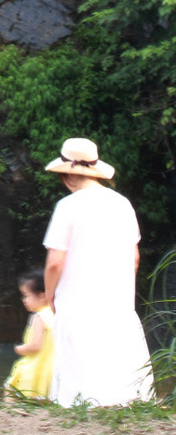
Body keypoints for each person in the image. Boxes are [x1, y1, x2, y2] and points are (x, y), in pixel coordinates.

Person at [43, 137, 154, 407]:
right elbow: (135, 257)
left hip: (76, 296)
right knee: (117, 346)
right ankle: (131, 400)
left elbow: (55, 262)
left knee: (80, 349)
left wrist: (49, 296)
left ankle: (79, 403)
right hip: (116, 295)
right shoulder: (122, 204)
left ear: (68, 175)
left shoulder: (67, 206)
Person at [4, 268, 55, 400]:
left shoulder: (38, 317)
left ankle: (8, 414)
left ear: (43, 295)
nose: (23, 300)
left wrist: (20, 349)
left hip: (34, 368)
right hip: (49, 368)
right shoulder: (54, 314)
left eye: (27, 296)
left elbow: (35, 346)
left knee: (9, 391)